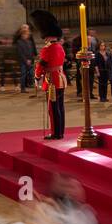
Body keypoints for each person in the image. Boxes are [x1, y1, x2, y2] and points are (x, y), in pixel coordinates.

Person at [33, 11, 66, 139]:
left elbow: (42, 64)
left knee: (53, 108)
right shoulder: (59, 47)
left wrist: (37, 76)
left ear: (47, 36)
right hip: (61, 78)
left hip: (52, 80)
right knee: (60, 107)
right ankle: (60, 132)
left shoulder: (47, 49)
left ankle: (56, 133)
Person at [15, 24, 37, 95]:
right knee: (23, 75)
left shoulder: (30, 42)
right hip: (23, 61)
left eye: (27, 34)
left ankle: (31, 83)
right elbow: (20, 53)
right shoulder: (19, 42)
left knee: (31, 73)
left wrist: (31, 59)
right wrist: (26, 60)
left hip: (29, 60)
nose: (27, 35)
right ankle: (23, 88)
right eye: (26, 34)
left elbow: (31, 51)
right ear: (22, 35)